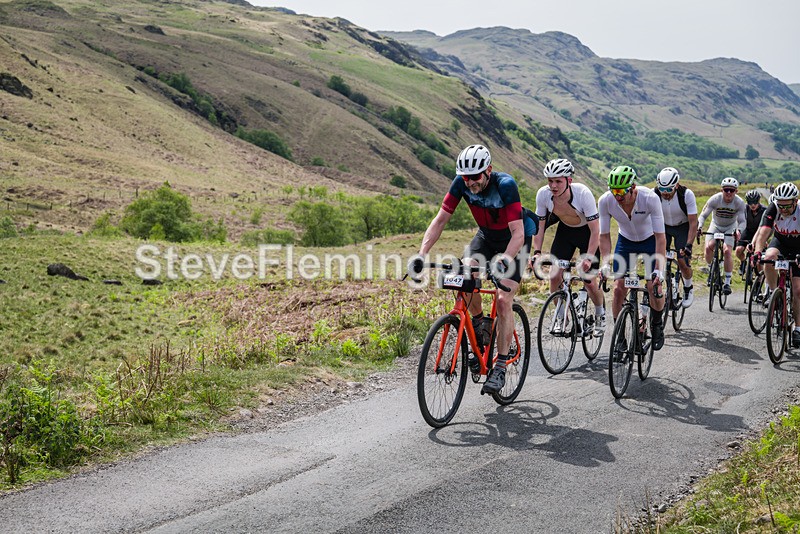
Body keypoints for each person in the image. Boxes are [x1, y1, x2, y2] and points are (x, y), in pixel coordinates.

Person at [408, 144, 527, 395]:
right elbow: (440, 220)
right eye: (466, 177)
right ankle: (479, 323)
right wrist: (422, 253)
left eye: (475, 177)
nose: (470, 182)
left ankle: (502, 365)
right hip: (484, 238)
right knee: (465, 276)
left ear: (488, 171)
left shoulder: (506, 185)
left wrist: (505, 258)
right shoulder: (460, 183)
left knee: (504, 301)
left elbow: (518, 233)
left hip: (513, 242)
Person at [530, 158, 605, 334]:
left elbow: (596, 231)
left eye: (558, 181)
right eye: (550, 181)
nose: (553, 186)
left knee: (589, 280)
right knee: (555, 275)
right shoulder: (543, 194)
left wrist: (589, 257)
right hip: (566, 232)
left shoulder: (583, 194)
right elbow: (539, 226)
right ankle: (561, 316)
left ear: (569, 181)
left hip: (587, 234)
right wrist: (537, 252)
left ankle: (600, 314)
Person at [598, 165, 666, 351]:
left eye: (621, 191)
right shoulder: (606, 201)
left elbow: (661, 237)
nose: (617, 196)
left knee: (654, 285)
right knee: (619, 288)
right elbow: (604, 236)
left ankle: (657, 324)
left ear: (633, 187)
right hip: (626, 242)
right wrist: (605, 265)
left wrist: (658, 271)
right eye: (614, 191)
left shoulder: (650, 198)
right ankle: (619, 336)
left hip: (650, 241)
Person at [753, 182, 800, 346]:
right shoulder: (774, 208)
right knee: (769, 256)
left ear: (795, 201)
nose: (784, 210)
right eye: (781, 206)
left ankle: (798, 329)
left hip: (798, 248)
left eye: (787, 206)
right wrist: (758, 252)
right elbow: (763, 233)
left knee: (797, 289)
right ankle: (774, 294)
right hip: (781, 242)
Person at [653, 167, 697, 308]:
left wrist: (689, 245)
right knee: (658, 259)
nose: (665, 194)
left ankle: (688, 288)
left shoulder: (687, 195)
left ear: (676, 185)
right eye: (662, 189)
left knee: (682, 261)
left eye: (669, 190)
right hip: (663, 227)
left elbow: (693, 222)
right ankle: (664, 285)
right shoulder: (654, 194)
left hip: (682, 227)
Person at [696, 177, 746, 295]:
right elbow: (703, 216)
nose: (728, 193)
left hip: (730, 227)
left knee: (727, 251)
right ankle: (711, 270)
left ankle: (727, 282)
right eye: (726, 190)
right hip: (716, 225)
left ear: (736, 191)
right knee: (708, 248)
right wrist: (699, 227)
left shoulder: (739, 202)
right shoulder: (715, 199)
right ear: (721, 190)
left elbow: (743, 221)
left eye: (732, 190)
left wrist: (738, 231)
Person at [735, 190, 767, 275]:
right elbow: (738, 220)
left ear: (759, 201)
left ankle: (758, 280)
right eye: (750, 202)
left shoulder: (765, 210)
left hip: (760, 233)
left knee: (759, 259)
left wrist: (765, 239)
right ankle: (743, 262)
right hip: (748, 231)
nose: (753, 205)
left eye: (755, 202)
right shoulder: (744, 209)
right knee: (738, 250)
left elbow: (768, 227)